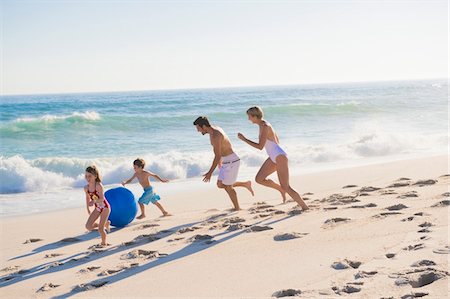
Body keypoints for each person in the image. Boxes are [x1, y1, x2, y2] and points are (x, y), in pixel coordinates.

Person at [238, 106, 308, 210]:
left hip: (279, 157)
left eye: (249, 116)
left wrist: (244, 139)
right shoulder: (262, 125)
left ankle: (304, 207)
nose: (248, 119)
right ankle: (280, 189)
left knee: (286, 186)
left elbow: (260, 147)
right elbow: (276, 140)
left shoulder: (265, 126)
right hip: (273, 156)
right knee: (259, 179)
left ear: (254, 116)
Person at [193, 116, 254, 211]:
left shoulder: (216, 135)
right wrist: (221, 161)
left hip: (232, 161)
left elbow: (217, 155)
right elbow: (224, 146)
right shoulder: (213, 131)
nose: (198, 131)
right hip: (226, 160)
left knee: (228, 186)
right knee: (220, 184)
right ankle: (245, 184)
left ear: (204, 126)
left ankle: (237, 208)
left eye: (198, 128)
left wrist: (210, 173)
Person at [84, 165, 111, 246]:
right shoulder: (86, 188)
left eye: (90, 176)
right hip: (98, 208)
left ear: (95, 176)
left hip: (105, 208)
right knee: (88, 226)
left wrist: (94, 201)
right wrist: (88, 208)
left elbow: (102, 199)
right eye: (86, 176)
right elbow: (87, 197)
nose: (87, 178)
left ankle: (104, 243)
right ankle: (105, 224)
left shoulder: (98, 185)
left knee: (100, 229)